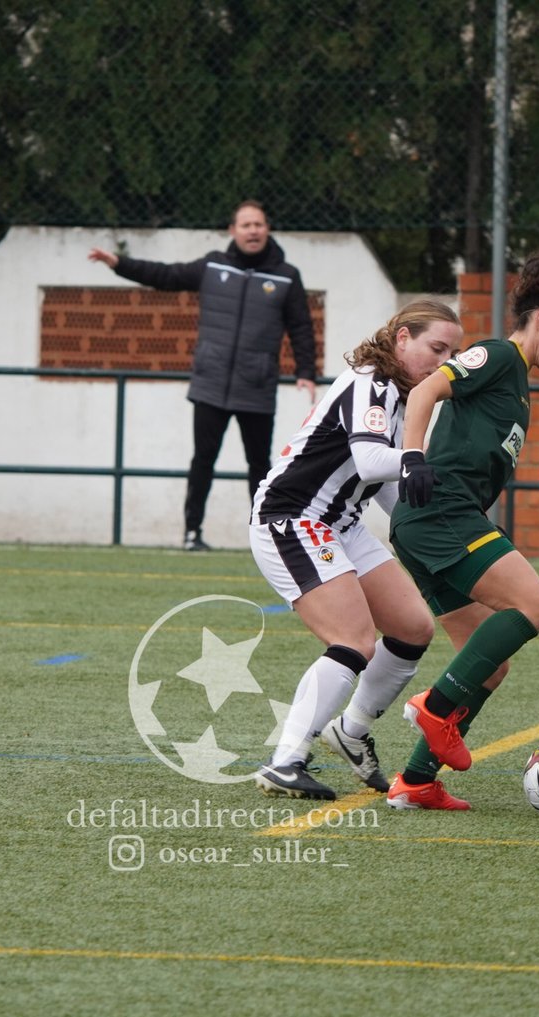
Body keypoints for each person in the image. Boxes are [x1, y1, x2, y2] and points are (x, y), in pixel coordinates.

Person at [385, 249, 539, 811]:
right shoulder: (498, 355)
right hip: (439, 512)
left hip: (431, 524)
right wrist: (413, 459)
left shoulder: (519, 384)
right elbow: (426, 391)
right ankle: (436, 706)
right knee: (536, 605)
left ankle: (417, 781)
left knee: (490, 666)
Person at [247, 300, 465, 800]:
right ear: (402, 338)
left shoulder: (403, 395)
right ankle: (285, 761)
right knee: (353, 641)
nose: (443, 361)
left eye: (452, 352)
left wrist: (424, 531)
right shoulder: (370, 379)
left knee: (413, 628)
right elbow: (371, 461)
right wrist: (418, 459)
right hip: (292, 518)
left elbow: (388, 485)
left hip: (338, 524)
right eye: (436, 347)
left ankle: (350, 730)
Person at [89, 201, 318, 551]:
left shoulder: (286, 275)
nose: (253, 230)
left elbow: (301, 326)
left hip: (256, 386)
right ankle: (191, 533)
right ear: (233, 230)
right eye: (246, 224)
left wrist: (306, 371)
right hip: (210, 384)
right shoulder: (212, 265)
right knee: (203, 460)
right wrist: (118, 264)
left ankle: (264, 536)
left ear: (267, 229)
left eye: (258, 224)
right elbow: (164, 275)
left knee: (259, 465)